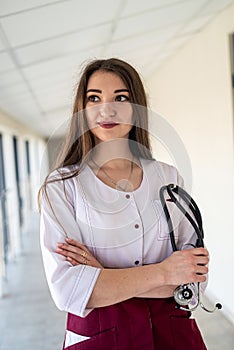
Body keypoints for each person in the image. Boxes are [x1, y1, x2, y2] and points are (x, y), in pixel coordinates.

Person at [39, 58, 209, 350]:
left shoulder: (168, 178)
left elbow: (194, 281)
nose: (107, 109)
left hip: (174, 336)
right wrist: (164, 272)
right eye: (95, 98)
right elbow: (68, 291)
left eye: (121, 98)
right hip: (100, 338)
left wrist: (102, 276)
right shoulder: (61, 187)